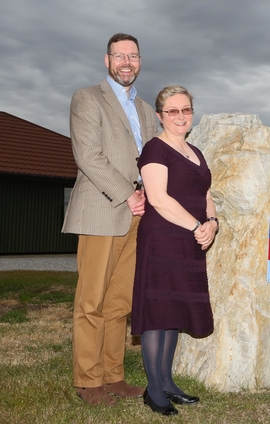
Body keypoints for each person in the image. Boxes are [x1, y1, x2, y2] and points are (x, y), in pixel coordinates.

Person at [62, 33, 158, 406]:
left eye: (132, 55)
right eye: (119, 55)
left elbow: (153, 160)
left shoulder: (148, 111)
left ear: (139, 61)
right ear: (107, 61)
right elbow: (88, 156)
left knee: (120, 302)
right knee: (92, 301)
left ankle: (113, 376)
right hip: (104, 209)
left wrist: (151, 195)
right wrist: (128, 194)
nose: (126, 62)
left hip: (140, 213)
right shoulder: (87, 98)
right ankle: (88, 381)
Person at [131, 85, 218, 416]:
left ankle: (167, 382)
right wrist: (197, 227)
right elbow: (158, 198)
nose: (180, 116)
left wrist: (211, 222)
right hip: (164, 237)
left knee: (174, 313)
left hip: (190, 239)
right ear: (159, 116)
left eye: (186, 110)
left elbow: (206, 193)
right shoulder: (155, 149)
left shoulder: (195, 151)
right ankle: (153, 390)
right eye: (173, 111)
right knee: (159, 312)